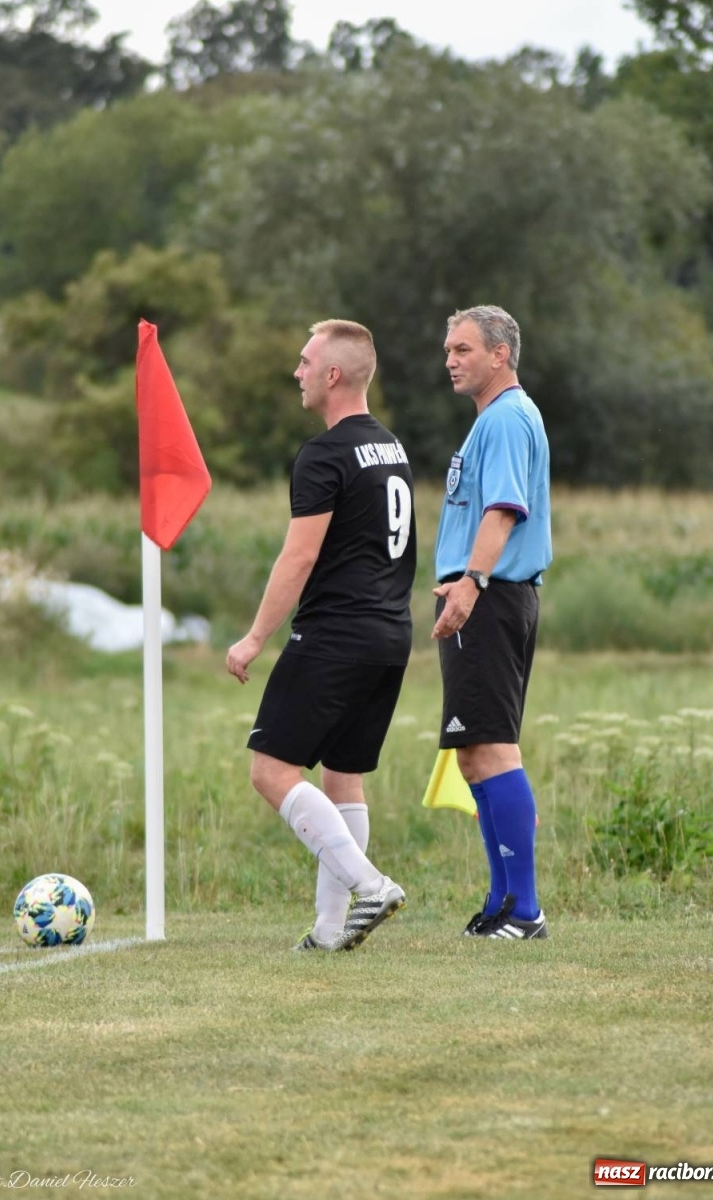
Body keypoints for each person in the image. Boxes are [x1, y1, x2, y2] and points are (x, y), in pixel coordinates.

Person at [226, 318, 416, 952]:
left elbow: (298, 557)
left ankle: (371, 885)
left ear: (333, 374)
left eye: (306, 362)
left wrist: (255, 637)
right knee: (343, 776)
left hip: (336, 635)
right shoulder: (391, 447)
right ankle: (330, 932)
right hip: (390, 635)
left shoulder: (324, 453)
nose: (297, 372)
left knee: (270, 769)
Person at [431, 305, 552, 939]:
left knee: (495, 749)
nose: (450, 359)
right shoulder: (495, 420)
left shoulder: (505, 418)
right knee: (475, 754)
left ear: (499, 354)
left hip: (490, 596)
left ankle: (526, 910)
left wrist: (470, 584)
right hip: (486, 595)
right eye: (449, 350)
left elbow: (504, 511)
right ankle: (502, 902)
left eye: (463, 349)